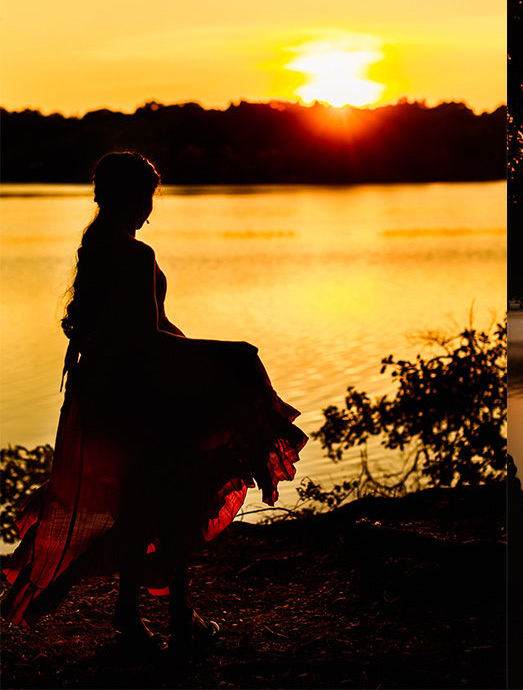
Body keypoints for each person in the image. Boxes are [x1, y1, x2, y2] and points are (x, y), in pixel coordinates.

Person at [1, 152, 308, 651]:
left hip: (104, 390)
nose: (150, 209)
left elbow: (137, 329)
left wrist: (205, 350)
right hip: (138, 394)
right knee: (176, 492)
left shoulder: (95, 244)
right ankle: (178, 619)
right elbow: (145, 337)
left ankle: (138, 618)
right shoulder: (133, 253)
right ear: (129, 197)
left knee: (142, 502)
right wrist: (229, 352)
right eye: (147, 197)